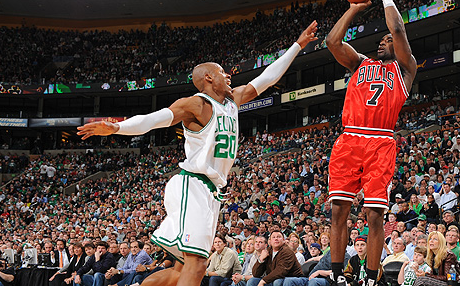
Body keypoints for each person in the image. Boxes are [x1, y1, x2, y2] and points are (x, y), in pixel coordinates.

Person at [77, 22, 318, 286]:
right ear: (208, 78)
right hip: (193, 185)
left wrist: (297, 45)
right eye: (222, 72)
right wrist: (118, 127)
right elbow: (155, 119)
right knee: (198, 262)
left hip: (211, 192)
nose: (229, 77)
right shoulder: (196, 104)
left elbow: (267, 78)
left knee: (183, 271)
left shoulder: (232, 101)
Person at [326, 0, 417, 286]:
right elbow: (332, 41)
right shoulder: (359, 63)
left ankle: (371, 278)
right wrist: (353, 6)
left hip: (380, 142)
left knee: (375, 215)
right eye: (380, 40)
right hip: (349, 140)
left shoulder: (405, 69)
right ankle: (339, 277)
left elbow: (399, 29)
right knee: (339, 211)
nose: (383, 41)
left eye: (387, 40)